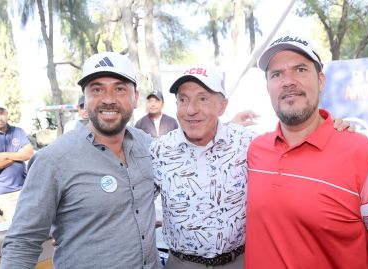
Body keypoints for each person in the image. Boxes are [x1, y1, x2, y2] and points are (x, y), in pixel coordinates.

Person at [149, 66, 352, 269]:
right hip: (181, 264)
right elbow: (137, 203)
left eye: (202, 99)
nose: (191, 110)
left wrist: (330, 130)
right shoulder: (158, 151)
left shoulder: (248, 144)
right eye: (183, 100)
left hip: (240, 262)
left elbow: (296, 152)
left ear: (222, 106)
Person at [245, 35, 368, 268]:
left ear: (321, 81)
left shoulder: (364, 154)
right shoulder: (254, 151)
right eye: (276, 74)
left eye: (300, 69)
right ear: (268, 87)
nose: (288, 81)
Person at [0, 52, 160, 269]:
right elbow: (22, 243)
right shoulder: (54, 160)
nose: (108, 98)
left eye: (120, 88)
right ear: (85, 98)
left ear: (135, 97)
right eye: (97, 89)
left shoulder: (149, 146)